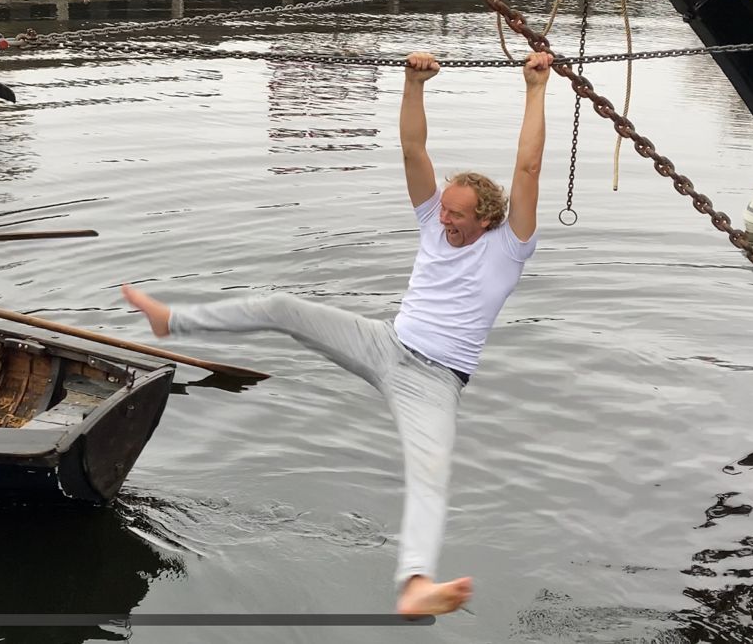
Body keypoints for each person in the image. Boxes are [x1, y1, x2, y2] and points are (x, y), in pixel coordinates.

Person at [121, 50, 554, 616]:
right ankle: (171, 320)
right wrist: (411, 83)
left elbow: (527, 169)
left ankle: (416, 582)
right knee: (283, 306)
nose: (443, 220)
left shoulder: (509, 246)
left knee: (429, 472)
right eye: (443, 210)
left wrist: (535, 88)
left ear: (486, 219)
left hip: (435, 380)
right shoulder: (431, 223)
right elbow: (413, 149)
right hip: (384, 344)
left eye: (456, 216)